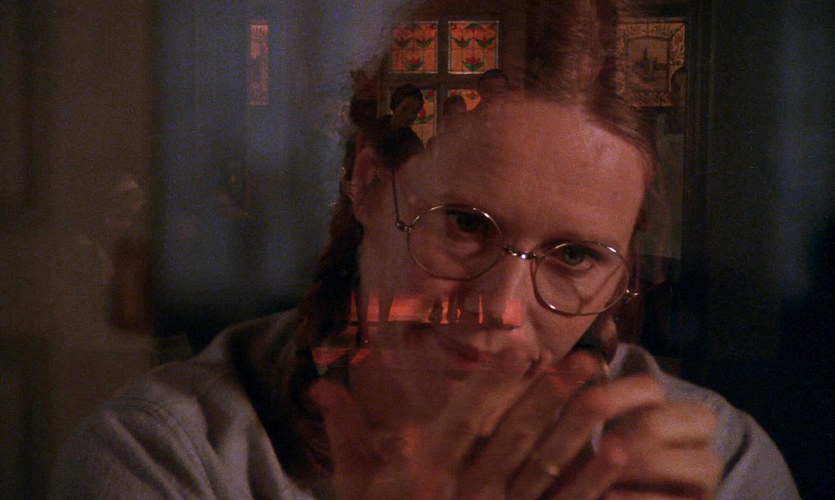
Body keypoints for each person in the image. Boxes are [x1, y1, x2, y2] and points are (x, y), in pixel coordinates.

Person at [50, 1, 799, 499]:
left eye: (574, 257)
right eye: (466, 224)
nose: (501, 310)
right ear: (369, 183)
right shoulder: (168, 457)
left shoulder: (713, 465)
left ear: (624, 270)